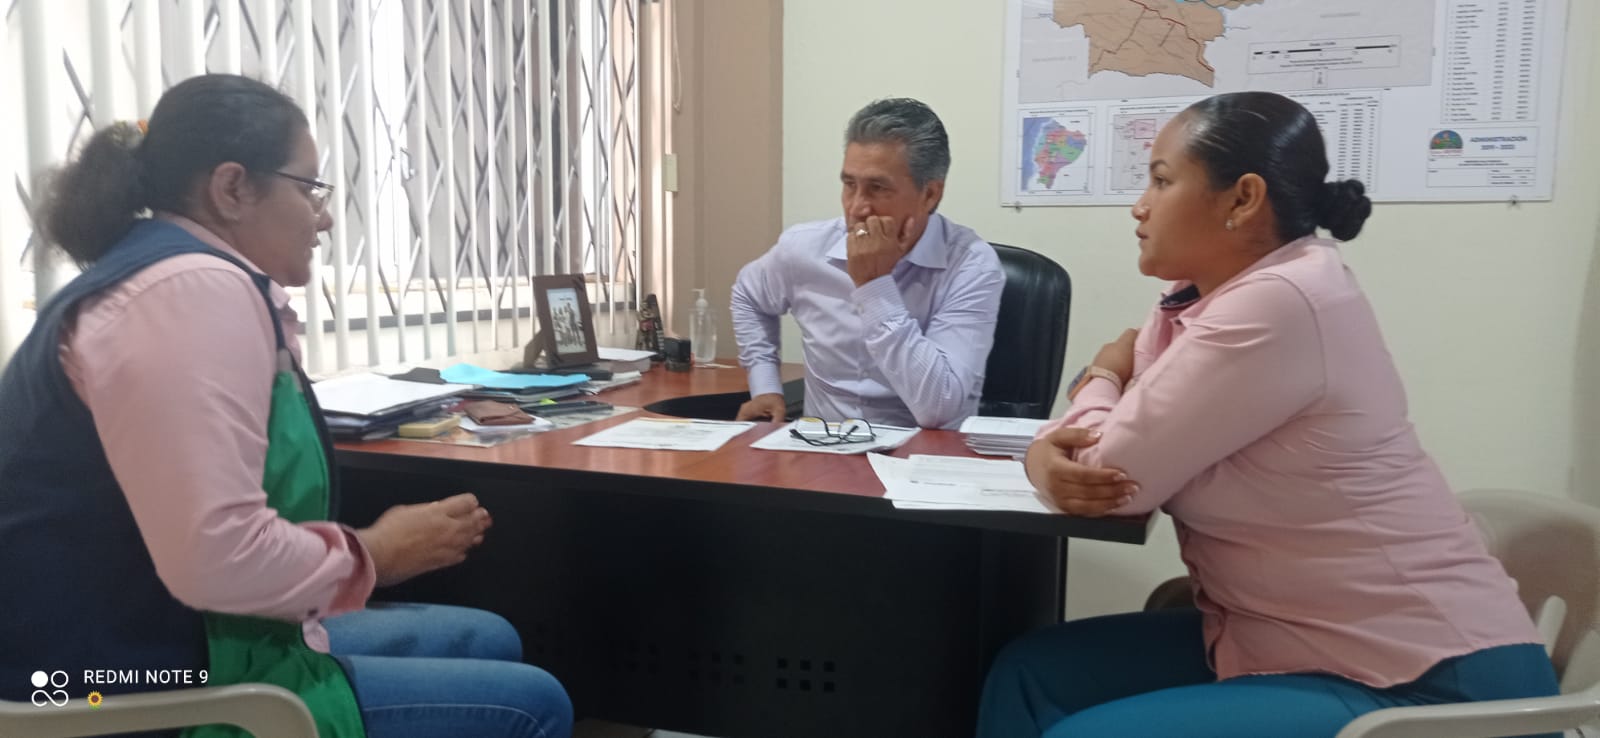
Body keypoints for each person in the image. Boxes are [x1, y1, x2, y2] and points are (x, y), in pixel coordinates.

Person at [0, 74, 572, 738]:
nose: (324, 217)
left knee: (487, 636)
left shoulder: (172, 275)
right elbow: (218, 559)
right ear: (232, 188)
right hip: (107, 687)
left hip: (162, 633)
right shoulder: (190, 292)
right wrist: (376, 554)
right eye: (309, 189)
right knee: (534, 705)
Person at [977, 91, 1558, 738]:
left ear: (1243, 199)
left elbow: (1109, 475)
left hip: (1424, 677)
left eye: (1162, 181)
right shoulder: (1193, 297)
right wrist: (1051, 445)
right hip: (1284, 637)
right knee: (1029, 673)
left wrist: (1100, 378)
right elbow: (1100, 451)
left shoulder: (1281, 301)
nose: (1139, 206)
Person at [730, 98, 1004, 429]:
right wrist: (764, 385)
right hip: (822, 448)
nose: (857, 207)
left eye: (877, 188)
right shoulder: (803, 248)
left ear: (930, 195)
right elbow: (748, 295)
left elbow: (938, 408)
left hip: (923, 450)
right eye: (849, 185)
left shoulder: (971, 265)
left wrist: (874, 287)